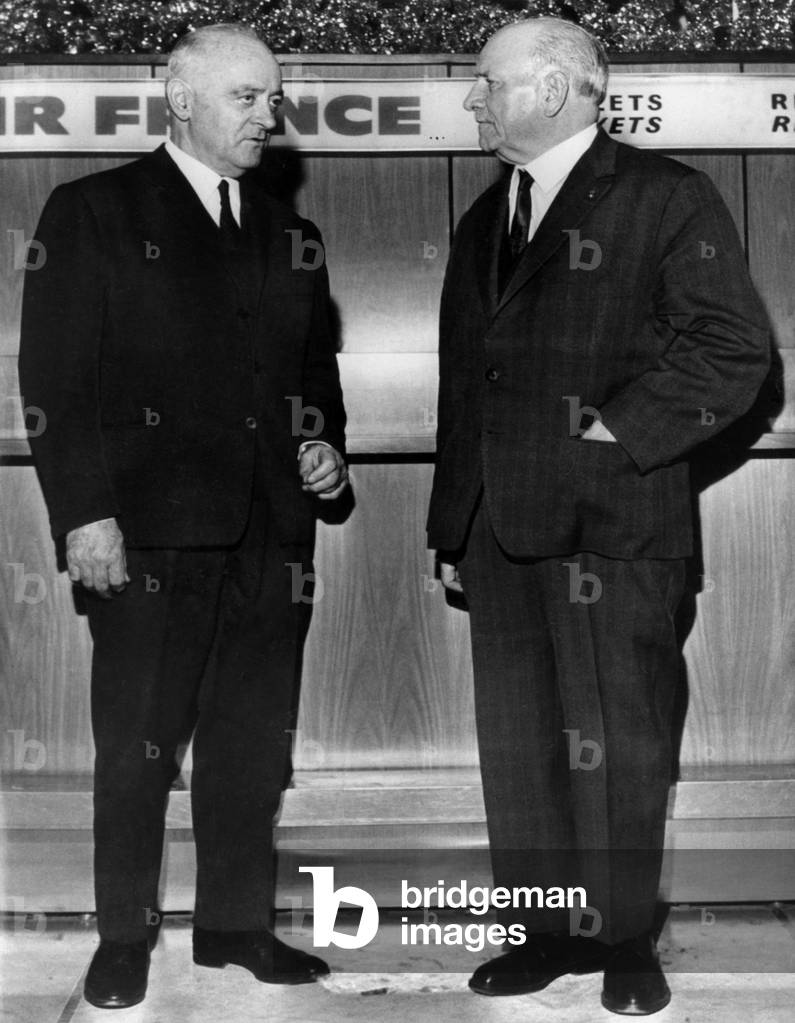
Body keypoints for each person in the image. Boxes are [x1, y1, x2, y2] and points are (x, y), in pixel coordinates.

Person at [426, 16, 771, 1016]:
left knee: (621, 741)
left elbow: (733, 351)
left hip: (617, 533)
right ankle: (545, 936)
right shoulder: (486, 217)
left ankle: (624, 943)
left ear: (556, 85)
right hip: (499, 538)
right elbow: (467, 387)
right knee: (521, 744)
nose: (475, 100)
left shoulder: (667, 197)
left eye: (489, 82)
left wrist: (610, 440)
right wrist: (455, 526)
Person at [19, 23, 348, 1010]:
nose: (268, 115)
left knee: (251, 746)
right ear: (181, 98)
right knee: (139, 746)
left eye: (274, 98)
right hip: (147, 535)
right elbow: (56, 380)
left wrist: (323, 445)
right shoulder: (93, 213)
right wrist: (86, 517)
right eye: (247, 97)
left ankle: (235, 928)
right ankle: (124, 936)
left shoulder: (292, 234)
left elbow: (312, 376)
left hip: (270, 538)